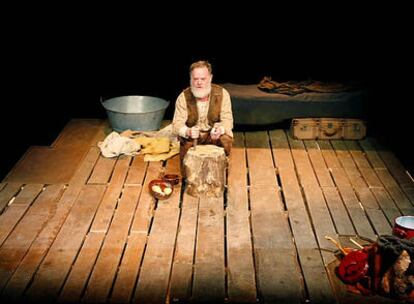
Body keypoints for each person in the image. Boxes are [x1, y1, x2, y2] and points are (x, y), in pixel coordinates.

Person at [172, 60, 234, 163]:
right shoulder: (183, 97)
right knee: (186, 146)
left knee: (226, 138)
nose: (199, 82)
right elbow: (176, 124)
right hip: (193, 136)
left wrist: (220, 130)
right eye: (195, 79)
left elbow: (228, 120)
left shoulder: (222, 94)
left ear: (210, 78)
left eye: (203, 79)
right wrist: (188, 132)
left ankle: (222, 165)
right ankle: (189, 173)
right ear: (190, 79)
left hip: (213, 135)